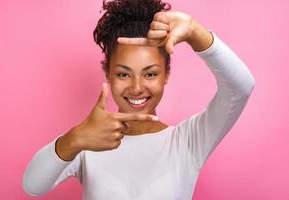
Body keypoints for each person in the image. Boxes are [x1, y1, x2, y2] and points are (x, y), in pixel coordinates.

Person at [22, 0, 255, 199]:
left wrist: (196, 32)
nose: (136, 87)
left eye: (150, 73)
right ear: (108, 75)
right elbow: (33, 186)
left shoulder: (188, 140)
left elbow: (241, 87)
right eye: (123, 74)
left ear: (166, 75)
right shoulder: (88, 141)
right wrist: (74, 139)